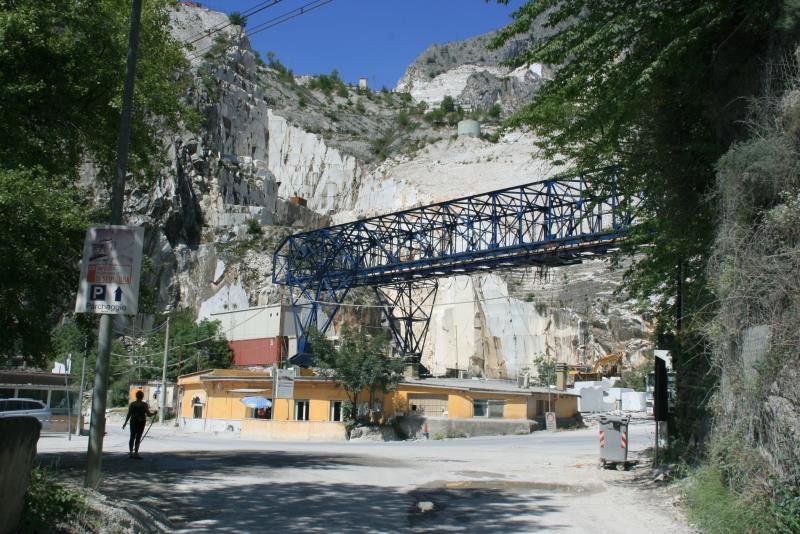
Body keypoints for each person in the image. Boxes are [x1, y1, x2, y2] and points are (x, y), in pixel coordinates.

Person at [122, 390, 157, 459]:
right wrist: (154, 413)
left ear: (136, 396)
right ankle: (136, 453)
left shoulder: (132, 404)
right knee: (138, 437)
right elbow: (149, 414)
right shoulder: (144, 405)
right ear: (142, 396)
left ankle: (131, 453)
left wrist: (125, 423)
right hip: (141, 422)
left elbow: (129, 414)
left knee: (132, 437)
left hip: (133, 422)